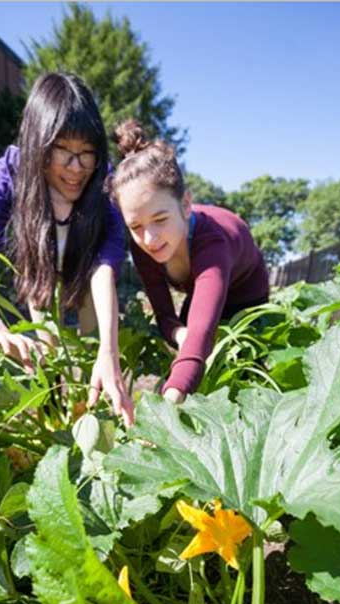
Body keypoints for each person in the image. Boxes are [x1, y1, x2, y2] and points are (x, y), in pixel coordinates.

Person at [0, 72, 133, 426]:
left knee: (93, 354)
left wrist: (108, 351)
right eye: (62, 152)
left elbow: (105, 267)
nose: (76, 168)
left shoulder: (105, 181)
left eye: (86, 154)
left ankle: (95, 424)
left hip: (89, 272)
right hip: (43, 269)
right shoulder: (9, 173)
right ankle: (54, 422)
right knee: (45, 353)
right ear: (38, 145)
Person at [107, 120, 269, 404]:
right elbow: (165, 316)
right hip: (199, 287)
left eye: (160, 219)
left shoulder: (212, 243)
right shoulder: (142, 245)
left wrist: (167, 406)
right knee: (190, 348)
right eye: (136, 226)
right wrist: (181, 334)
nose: (150, 238)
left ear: (185, 204)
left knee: (244, 367)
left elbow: (203, 333)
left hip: (245, 292)